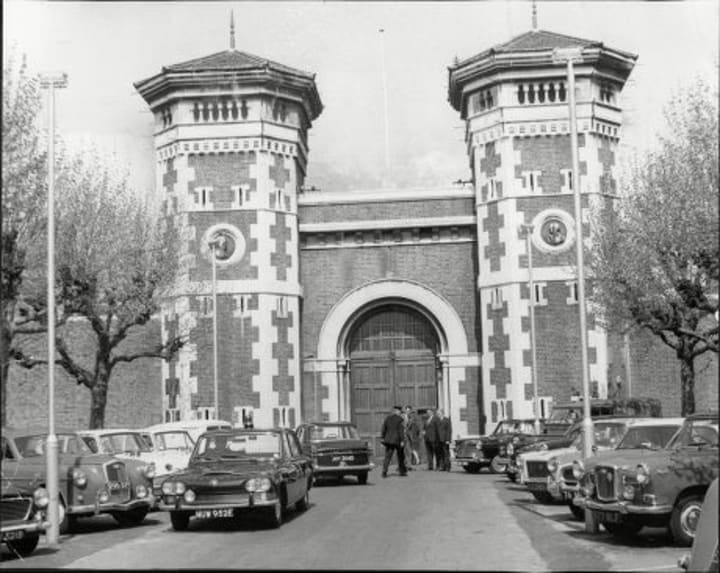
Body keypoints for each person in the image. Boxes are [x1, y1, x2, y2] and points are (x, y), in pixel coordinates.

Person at [380, 405, 408, 477]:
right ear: (397, 411)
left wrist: (382, 437)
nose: (400, 413)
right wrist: (402, 440)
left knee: (387, 457)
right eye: (400, 412)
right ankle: (402, 471)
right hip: (397, 440)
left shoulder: (388, 418)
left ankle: (384, 471)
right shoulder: (400, 419)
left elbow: (384, 428)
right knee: (400, 456)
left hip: (389, 440)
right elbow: (401, 431)